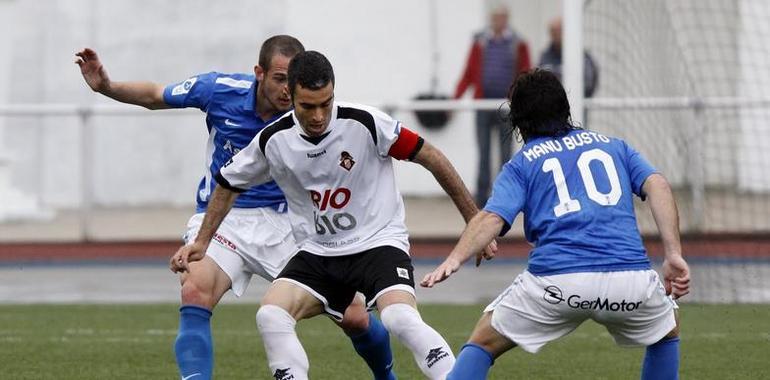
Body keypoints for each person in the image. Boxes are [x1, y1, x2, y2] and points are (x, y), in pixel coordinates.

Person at [75, 36, 397, 380]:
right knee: (195, 288)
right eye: (278, 79)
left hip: (289, 223)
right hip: (224, 219)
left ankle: (387, 377)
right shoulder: (218, 90)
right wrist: (106, 87)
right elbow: (156, 95)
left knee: (354, 315)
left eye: (292, 81)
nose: (287, 91)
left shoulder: (312, 111)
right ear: (258, 73)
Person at [172, 50, 496, 380]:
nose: (318, 115)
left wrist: (473, 218)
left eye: (325, 103)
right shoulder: (273, 139)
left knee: (399, 317)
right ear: (292, 96)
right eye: (308, 106)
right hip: (319, 253)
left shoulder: (366, 123)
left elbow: (432, 156)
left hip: (376, 244)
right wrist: (202, 242)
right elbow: (228, 182)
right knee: (271, 315)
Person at [422, 69, 690, 380]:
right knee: (666, 331)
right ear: (565, 108)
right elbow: (658, 184)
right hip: (630, 279)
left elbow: (492, 217)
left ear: (519, 121)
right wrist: (673, 254)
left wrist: (455, 258)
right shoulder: (614, 146)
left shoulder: (522, 163)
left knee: (483, 341)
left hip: (557, 283)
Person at [455, 4, 532, 207]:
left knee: (506, 154)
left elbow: (525, 73)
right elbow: (469, 72)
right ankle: (481, 197)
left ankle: (504, 194)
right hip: (482, 106)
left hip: (506, 107)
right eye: (495, 18)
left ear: (506, 19)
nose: (498, 21)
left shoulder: (518, 43)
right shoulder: (480, 42)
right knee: (483, 152)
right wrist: (455, 99)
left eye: (501, 18)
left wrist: (523, 101)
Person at [538, 17, 599, 98]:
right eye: (553, 31)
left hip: (576, 105)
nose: (556, 34)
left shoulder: (582, 57)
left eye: (559, 30)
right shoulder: (544, 57)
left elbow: (589, 84)